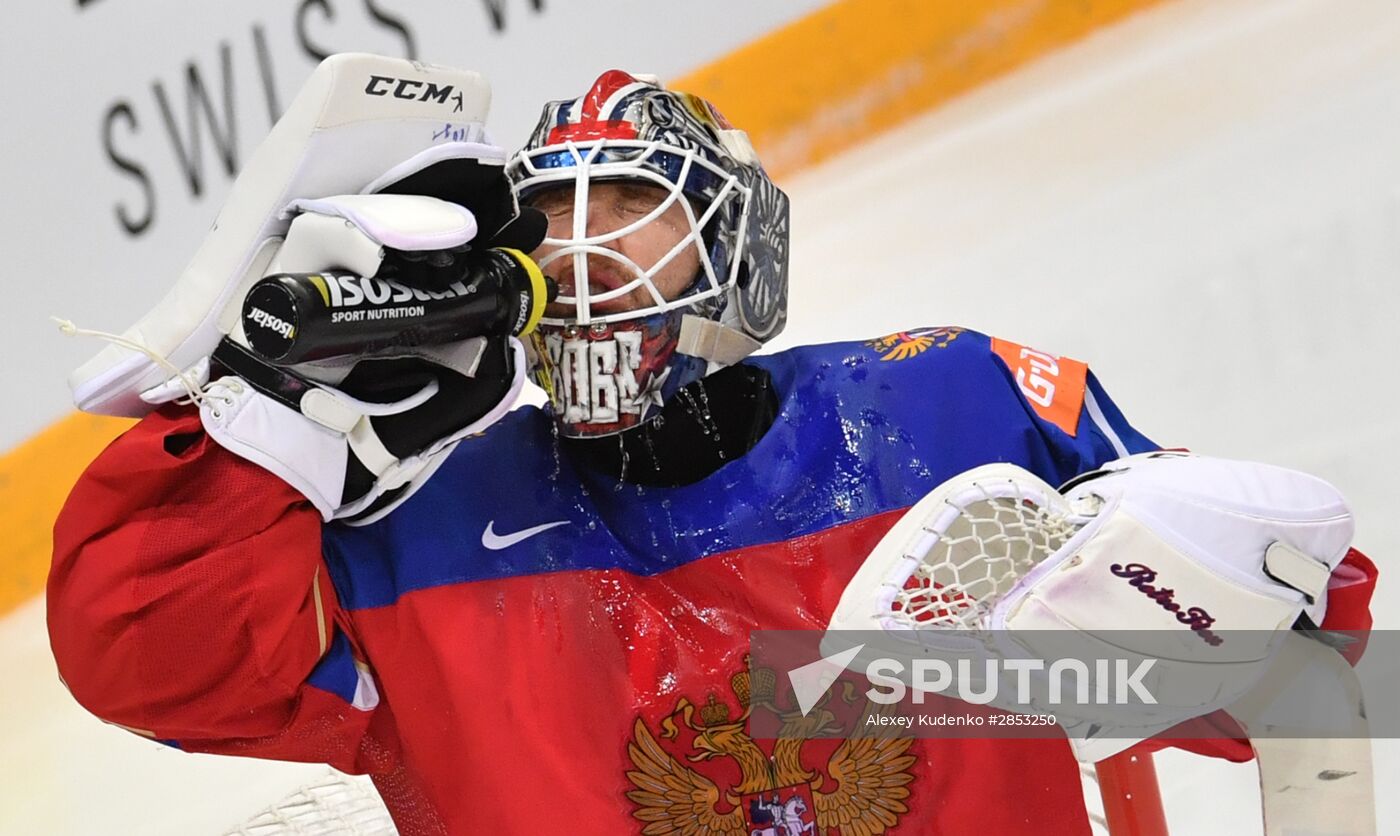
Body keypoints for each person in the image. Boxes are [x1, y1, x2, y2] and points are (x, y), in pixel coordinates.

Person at [48, 69, 1377, 835]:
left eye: (626, 206)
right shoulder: (418, 534)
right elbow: (149, 668)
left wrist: (1246, 604)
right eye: (547, 219)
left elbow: (1302, 678)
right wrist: (264, 431)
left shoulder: (955, 413)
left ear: (740, 251)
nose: (576, 250)